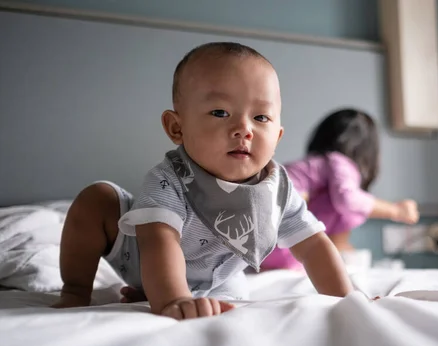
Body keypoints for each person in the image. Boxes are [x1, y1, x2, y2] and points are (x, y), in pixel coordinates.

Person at [52, 42, 354, 320]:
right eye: (220, 112)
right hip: (143, 259)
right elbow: (160, 242)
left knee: (231, 302)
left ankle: (170, 293)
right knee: (98, 199)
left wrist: (350, 299)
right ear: (176, 128)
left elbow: (314, 246)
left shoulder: (279, 188)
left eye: (261, 118)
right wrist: (172, 299)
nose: (244, 129)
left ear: (277, 136)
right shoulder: (170, 180)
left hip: (218, 278)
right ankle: (75, 290)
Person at [261, 109, 420, 271]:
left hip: (264, 240)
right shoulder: (338, 161)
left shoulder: (316, 166)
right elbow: (347, 200)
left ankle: (328, 254)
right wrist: (396, 211)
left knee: (334, 199)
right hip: (278, 237)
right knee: (347, 206)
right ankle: (336, 251)